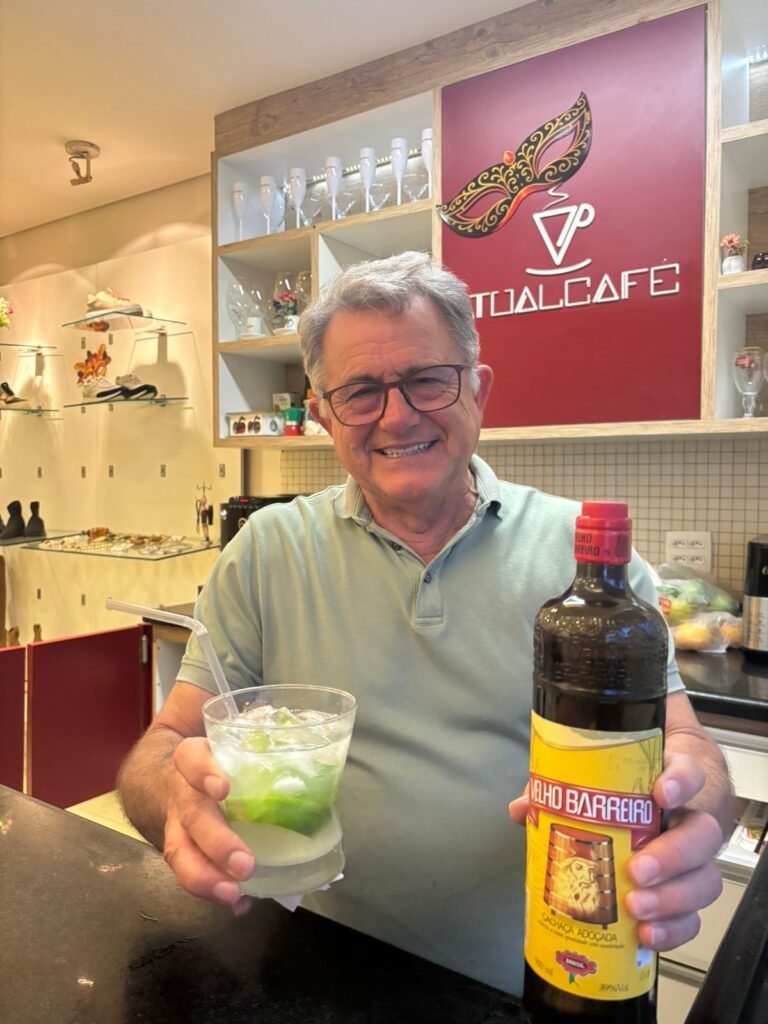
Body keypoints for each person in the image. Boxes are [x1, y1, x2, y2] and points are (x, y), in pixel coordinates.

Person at [118, 251, 732, 997]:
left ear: (479, 389)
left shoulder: (589, 568)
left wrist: (692, 807)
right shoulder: (267, 550)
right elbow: (164, 746)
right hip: (309, 963)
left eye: (428, 379)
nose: (397, 416)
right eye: (361, 392)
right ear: (323, 416)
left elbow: (687, 746)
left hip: (540, 979)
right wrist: (176, 800)